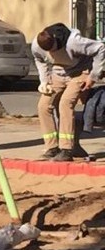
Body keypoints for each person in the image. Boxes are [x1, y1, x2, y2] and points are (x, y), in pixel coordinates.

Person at [32, 23, 105, 162]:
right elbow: (39, 59)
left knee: (65, 103)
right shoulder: (36, 45)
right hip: (58, 73)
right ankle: (52, 147)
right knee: (43, 106)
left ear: (56, 41)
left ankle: (67, 149)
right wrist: (44, 81)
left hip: (80, 72)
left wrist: (93, 76)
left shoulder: (74, 42)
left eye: (53, 50)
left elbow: (100, 48)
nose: (51, 54)